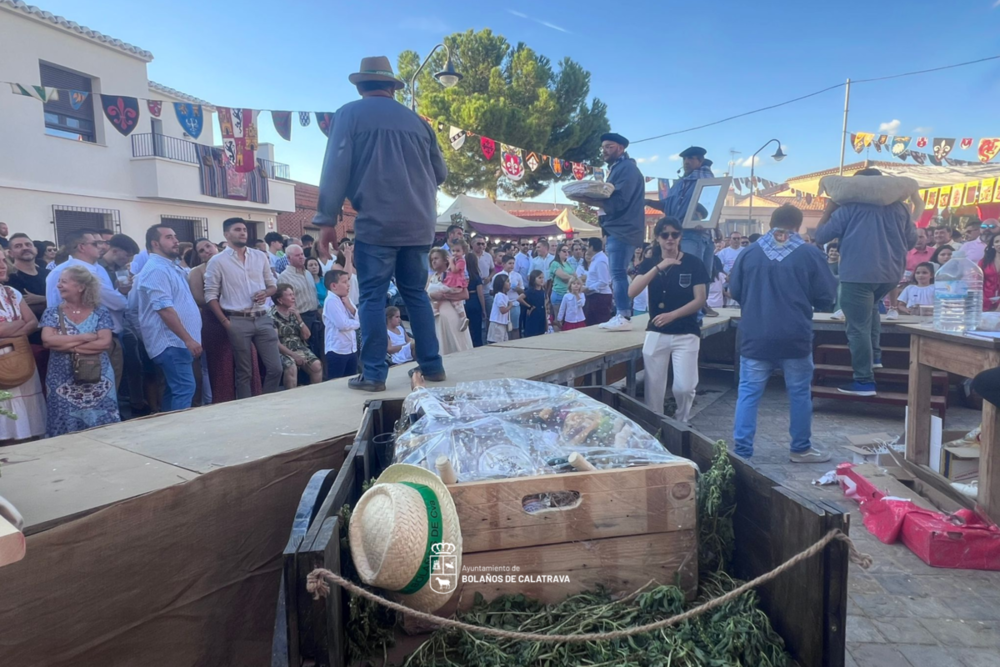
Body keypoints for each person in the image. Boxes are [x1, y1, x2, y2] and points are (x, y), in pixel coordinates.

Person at [314, 56, 446, 392]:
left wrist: (327, 219)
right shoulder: (419, 123)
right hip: (419, 225)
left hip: (377, 223)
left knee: (372, 296)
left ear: (360, 86)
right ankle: (433, 365)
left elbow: (335, 168)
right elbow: (441, 174)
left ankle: (374, 375)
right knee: (416, 293)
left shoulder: (348, 114)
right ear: (392, 87)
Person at [729, 205, 838, 461]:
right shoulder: (810, 254)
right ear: (798, 225)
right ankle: (800, 448)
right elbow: (826, 297)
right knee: (799, 393)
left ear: (770, 223)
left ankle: (742, 450)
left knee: (748, 393)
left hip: (755, 334)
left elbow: (735, 291)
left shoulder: (749, 253)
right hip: (794, 334)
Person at [815, 169, 917, 396]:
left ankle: (863, 381)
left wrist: (828, 211)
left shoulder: (848, 208)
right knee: (871, 312)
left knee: (857, 327)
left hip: (858, 274)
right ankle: (876, 357)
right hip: (890, 274)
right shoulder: (900, 208)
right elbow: (911, 241)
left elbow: (821, 236)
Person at [628, 217, 709, 421]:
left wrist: (673, 314)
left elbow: (700, 299)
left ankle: (681, 422)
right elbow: (632, 291)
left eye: (675, 234)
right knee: (653, 390)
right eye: (665, 235)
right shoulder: (650, 262)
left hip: (686, 331)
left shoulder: (693, 263)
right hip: (656, 331)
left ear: (680, 236)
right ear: (658, 238)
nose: (670, 238)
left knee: (684, 387)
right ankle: (656, 427)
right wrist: (659, 266)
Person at [573, 133, 645, 331]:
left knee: (618, 274)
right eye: (603, 146)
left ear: (620, 148)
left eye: (609, 146)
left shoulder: (627, 168)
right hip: (618, 228)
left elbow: (619, 201)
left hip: (623, 229)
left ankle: (623, 314)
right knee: (618, 273)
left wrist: (590, 200)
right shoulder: (618, 168)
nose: (604, 150)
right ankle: (622, 314)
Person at [204, 217, 282, 397]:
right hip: (237, 319)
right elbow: (210, 295)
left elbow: (272, 285)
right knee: (244, 371)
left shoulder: (259, 256)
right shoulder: (217, 261)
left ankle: (265, 404)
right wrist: (225, 322)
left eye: (244, 230)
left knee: (275, 368)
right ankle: (246, 411)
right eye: (238, 229)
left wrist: (266, 293)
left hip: (262, 317)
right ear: (226, 234)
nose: (242, 233)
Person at [40, 266, 119, 436]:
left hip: (97, 378)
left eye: (64, 281)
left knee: (102, 424)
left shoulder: (100, 311)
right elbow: (47, 340)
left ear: (80, 287)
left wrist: (66, 346)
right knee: (63, 422)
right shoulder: (52, 312)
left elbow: (104, 343)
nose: (59, 285)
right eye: (59, 281)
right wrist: (85, 337)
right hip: (61, 380)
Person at [45, 229, 128, 388]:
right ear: (82, 247)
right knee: (100, 388)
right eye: (96, 243)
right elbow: (118, 303)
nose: (102, 246)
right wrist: (122, 295)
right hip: (92, 340)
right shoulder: (84, 273)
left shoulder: (94, 268)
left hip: (70, 342)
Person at [134, 225, 203, 412]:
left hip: (179, 342)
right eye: (169, 237)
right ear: (155, 243)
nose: (176, 241)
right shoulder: (156, 269)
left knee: (174, 391)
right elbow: (163, 309)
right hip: (172, 342)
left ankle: (168, 430)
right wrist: (188, 339)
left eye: (175, 236)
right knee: (185, 388)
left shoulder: (169, 267)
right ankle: (180, 434)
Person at [188, 237, 262, 403]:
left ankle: (253, 398)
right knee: (222, 365)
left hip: (241, 318)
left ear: (215, 246)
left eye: (208, 246)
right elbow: (200, 298)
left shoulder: (233, 264)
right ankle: (224, 402)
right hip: (214, 321)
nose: (206, 250)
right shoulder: (196, 272)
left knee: (249, 359)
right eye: (201, 250)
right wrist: (226, 298)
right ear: (199, 255)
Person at [649, 146, 718, 316]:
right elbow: (666, 205)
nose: (687, 162)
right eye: (685, 159)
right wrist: (647, 202)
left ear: (700, 162)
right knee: (690, 271)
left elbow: (714, 203)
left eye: (692, 158)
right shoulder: (678, 184)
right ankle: (689, 308)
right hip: (684, 233)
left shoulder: (704, 177)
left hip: (701, 232)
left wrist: (714, 225)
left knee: (702, 272)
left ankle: (699, 306)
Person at [0, 258, 46, 442]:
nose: (2, 265)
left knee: (28, 420)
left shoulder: (11, 293)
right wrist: (19, 324)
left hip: (20, 358)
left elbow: (33, 322)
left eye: (3, 260)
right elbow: (25, 322)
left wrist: (7, 331)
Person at [270, 283, 322, 388]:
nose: (293, 297)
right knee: (291, 366)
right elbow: (276, 343)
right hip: (282, 351)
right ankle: (291, 399)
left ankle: (316, 395)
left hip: (299, 348)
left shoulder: (294, 312)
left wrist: (299, 318)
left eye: (293, 294)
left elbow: (307, 336)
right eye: (289, 295)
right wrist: (294, 356)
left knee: (317, 365)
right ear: (280, 300)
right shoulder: (271, 316)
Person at [279, 244, 323, 361]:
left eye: (302, 254)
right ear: (289, 258)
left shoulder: (308, 273)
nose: (301, 257)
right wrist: (298, 320)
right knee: (304, 353)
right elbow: (284, 302)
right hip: (299, 318)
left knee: (317, 351)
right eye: (297, 255)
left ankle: (318, 378)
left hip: (314, 316)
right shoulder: (285, 277)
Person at [427, 248, 473, 355]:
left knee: (457, 343)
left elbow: (465, 295)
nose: (433, 261)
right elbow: (425, 294)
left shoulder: (452, 275)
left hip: (453, 314)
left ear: (445, 260)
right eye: (432, 259)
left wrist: (444, 296)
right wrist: (431, 295)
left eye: (436, 258)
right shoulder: (431, 277)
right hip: (437, 316)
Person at [324, 270, 360, 379]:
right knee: (336, 383)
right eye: (344, 282)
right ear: (334, 286)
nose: (348, 285)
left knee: (351, 379)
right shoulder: (331, 301)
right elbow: (343, 325)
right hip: (337, 350)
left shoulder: (346, 299)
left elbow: (359, 317)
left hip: (351, 348)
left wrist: (350, 306)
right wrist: (357, 323)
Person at [7, 233, 49, 324]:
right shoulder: (9, 278)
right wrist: (52, 300)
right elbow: (21, 310)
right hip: (28, 333)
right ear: (10, 253)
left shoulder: (49, 274)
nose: (25, 248)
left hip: (55, 331)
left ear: (36, 250)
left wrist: (43, 299)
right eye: (18, 246)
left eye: (28, 244)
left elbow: (66, 302)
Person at [494, 255, 525, 340]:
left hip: (514, 304)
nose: (511, 265)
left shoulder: (517, 276)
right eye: (509, 263)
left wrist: (516, 288)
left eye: (513, 263)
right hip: (502, 305)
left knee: (515, 327)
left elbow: (523, 291)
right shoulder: (498, 276)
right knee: (503, 327)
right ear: (503, 264)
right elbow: (492, 290)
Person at [441, 240, 470, 331]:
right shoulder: (455, 260)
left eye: (458, 251)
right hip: (451, 282)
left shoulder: (461, 261)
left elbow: (454, 270)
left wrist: (450, 261)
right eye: (453, 251)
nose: (455, 253)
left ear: (463, 251)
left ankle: (462, 317)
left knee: (455, 300)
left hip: (456, 283)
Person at [584, 237, 613, 325]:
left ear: (592, 247)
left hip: (600, 297)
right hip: (594, 296)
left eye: (587, 246)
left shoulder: (601, 260)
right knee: (591, 322)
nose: (586, 248)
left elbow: (604, 281)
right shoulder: (597, 259)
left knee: (599, 322)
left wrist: (589, 288)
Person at [465, 251, 486, 348]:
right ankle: (477, 345)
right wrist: (484, 309)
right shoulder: (476, 276)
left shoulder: (463, 276)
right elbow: (480, 294)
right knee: (476, 327)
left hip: (464, 301)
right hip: (474, 300)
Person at [548, 243, 574, 319]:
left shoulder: (568, 263)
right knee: (559, 319)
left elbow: (575, 275)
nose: (566, 253)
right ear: (558, 252)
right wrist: (573, 278)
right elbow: (563, 276)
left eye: (568, 251)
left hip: (568, 293)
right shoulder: (554, 263)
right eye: (564, 251)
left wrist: (575, 278)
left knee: (568, 318)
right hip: (559, 294)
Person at [488, 274, 513, 344]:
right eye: (507, 281)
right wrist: (510, 306)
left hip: (502, 323)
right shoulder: (499, 295)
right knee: (497, 343)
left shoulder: (505, 295)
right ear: (502, 284)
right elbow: (503, 310)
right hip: (497, 324)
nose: (510, 283)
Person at [523, 270, 547, 338]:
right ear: (533, 279)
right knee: (533, 332)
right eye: (539, 278)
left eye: (543, 278)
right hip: (533, 314)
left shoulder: (543, 291)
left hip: (541, 313)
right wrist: (529, 306)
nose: (542, 279)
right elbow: (520, 298)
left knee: (541, 332)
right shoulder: (530, 291)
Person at [981, 236, 1000, 311]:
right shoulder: (984, 261)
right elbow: (977, 281)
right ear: (993, 245)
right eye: (997, 241)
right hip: (985, 301)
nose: (999, 244)